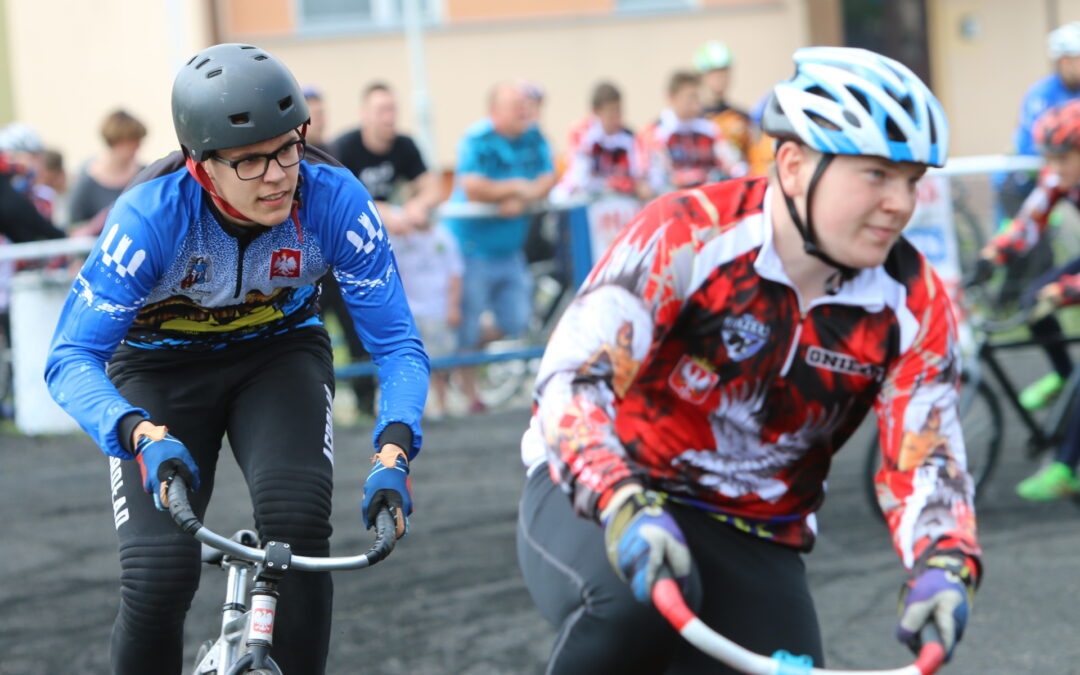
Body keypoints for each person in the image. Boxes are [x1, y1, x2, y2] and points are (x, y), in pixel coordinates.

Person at [517, 46, 980, 674]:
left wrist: (945, 562)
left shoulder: (913, 303)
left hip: (757, 528)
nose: (902, 203)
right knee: (633, 610)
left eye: (911, 180)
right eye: (876, 174)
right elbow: (574, 381)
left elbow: (926, 458)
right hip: (609, 489)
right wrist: (618, 496)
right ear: (792, 166)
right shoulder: (689, 232)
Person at [44, 43, 428, 675]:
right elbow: (70, 357)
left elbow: (398, 346)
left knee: (298, 533)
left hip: (277, 358)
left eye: (287, 148)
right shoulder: (150, 217)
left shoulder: (335, 201)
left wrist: (395, 448)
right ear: (202, 166)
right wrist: (135, 433)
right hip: (159, 372)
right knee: (158, 575)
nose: (278, 175)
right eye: (249, 161)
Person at [968, 98, 1080, 500]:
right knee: (1033, 296)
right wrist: (989, 257)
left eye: (1063, 157)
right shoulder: (1058, 179)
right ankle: (1063, 377)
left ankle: (1066, 468)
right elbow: (1028, 225)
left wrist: (1065, 291)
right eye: (1048, 157)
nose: (1053, 168)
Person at [328, 82, 443, 416]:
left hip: (379, 261)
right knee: (336, 333)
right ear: (365, 115)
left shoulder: (405, 146)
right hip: (339, 260)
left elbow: (433, 185)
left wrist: (418, 205)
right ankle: (348, 409)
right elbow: (338, 198)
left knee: (381, 331)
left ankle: (382, 407)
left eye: (393, 110)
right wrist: (383, 211)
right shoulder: (344, 147)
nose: (389, 118)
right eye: (381, 111)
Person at [443, 81, 557, 413]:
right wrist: (518, 189)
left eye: (524, 104)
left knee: (517, 319)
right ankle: (469, 396)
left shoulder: (534, 137)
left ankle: (458, 354)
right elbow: (473, 185)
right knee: (467, 320)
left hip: (509, 250)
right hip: (472, 249)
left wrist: (520, 195)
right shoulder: (477, 138)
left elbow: (549, 178)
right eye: (515, 105)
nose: (524, 110)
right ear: (495, 112)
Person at [390, 220, 463, 420]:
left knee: (437, 361)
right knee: (412, 361)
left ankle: (441, 404)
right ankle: (420, 406)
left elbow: (455, 273)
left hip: (436, 310)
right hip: (411, 311)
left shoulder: (443, 237)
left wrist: (452, 306)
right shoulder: (400, 239)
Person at [636, 70, 740, 200]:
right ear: (672, 97)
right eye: (691, 97)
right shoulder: (653, 133)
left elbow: (732, 165)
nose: (697, 103)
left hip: (709, 198)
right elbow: (654, 181)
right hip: (671, 202)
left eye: (698, 96)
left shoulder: (710, 128)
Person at [551, 81, 644, 202]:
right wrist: (610, 183)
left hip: (619, 201)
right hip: (585, 198)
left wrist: (620, 184)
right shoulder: (581, 133)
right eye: (611, 112)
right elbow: (579, 177)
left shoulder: (630, 137)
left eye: (619, 111)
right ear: (596, 112)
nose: (617, 117)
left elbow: (639, 177)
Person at [67, 109, 146, 225]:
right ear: (117, 141)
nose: (138, 146)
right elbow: (74, 225)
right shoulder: (86, 181)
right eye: (134, 140)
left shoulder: (144, 174)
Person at [694, 40, 753, 175]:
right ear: (702, 76)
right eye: (714, 72)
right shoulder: (693, 120)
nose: (721, 78)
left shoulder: (742, 117)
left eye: (724, 71)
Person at [303, 85, 330, 153]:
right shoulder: (292, 155)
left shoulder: (331, 151)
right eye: (316, 116)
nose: (322, 123)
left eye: (322, 115)